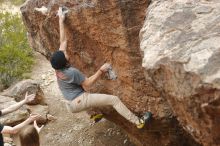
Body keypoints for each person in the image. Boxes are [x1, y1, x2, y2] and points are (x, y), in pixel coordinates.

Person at [50, 7, 152, 129]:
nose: (66, 53)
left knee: (82, 89)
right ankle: (138, 122)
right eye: (65, 55)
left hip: (70, 103)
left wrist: (61, 20)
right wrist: (101, 70)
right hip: (79, 101)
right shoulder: (71, 72)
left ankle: (94, 114)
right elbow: (88, 83)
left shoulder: (57, 66)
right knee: (113, 100)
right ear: (65, 61)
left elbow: (63, 42)